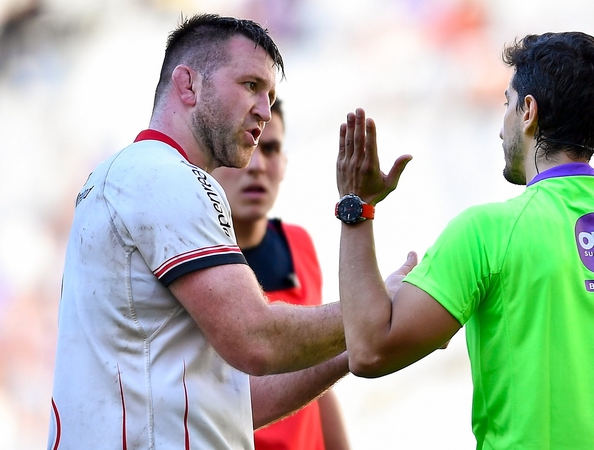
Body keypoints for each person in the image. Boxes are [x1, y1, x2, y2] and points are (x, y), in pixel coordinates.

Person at [334, 32, 594, 449]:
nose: (500, 128)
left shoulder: (486, 232)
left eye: (507, 103)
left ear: (528, 111)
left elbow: (370, 351)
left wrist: (357, 206)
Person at [48, 14, 361, 449]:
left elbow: (239, 402)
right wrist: (375, 307)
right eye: (250, 85)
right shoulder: (164, 176)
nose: (264, 110)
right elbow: (255, 338)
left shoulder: (126, 177)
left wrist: (357, 345)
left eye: (269, 96)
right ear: (188, 84)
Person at [213, 98, 350, 450]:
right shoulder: (191, 261)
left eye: (271, 149)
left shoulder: (299, 245)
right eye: (245, 145)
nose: (257, 165)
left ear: (284, 163)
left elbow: (317, 376)